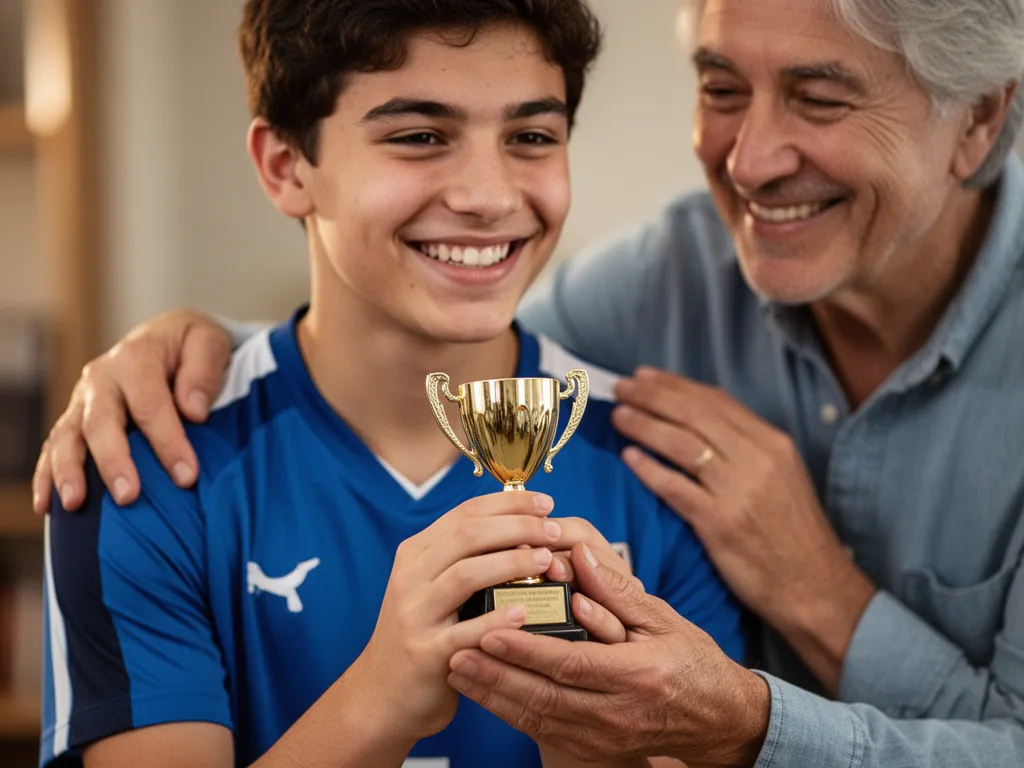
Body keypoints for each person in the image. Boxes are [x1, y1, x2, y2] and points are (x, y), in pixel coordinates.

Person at [34, 0, 1024, 766]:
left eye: (531, 136)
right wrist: (179, 336)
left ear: (980, 121)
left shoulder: (655, 473)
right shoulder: (146, 464)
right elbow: (403, 346)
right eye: (419, 135)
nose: (487, 195)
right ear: (285, 166)